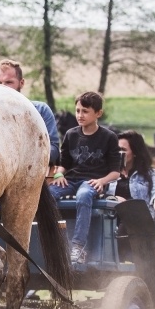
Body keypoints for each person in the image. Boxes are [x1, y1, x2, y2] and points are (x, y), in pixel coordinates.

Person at [49, 92, 121, 264]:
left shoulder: (109, 137)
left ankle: (78, 246)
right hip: (71, 180)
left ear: (98, 113)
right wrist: (59, 173)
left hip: (91, 182)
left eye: (85, 111)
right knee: (47, 195)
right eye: (78, 111)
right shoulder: (71, 135)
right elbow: (64, 162)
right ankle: (52, 241)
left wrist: (102, 181)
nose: (80, 115)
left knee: (83, 195)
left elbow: (116, 172)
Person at [0, 60, 60, 166]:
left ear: (22, 83)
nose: (3, 87)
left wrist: (29, 153)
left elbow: (54, 151)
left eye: (9, 82)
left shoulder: (41, 111)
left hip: (31, 173)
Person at [107, 130, 155, 234]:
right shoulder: (108, 173)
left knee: (133, 217)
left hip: (140, 221)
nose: (119, 153)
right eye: (116, 150)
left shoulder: (149, 173)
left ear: (135, 152)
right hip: (112, 220)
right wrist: (115, 199)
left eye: (123, 150)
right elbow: (99, 193)